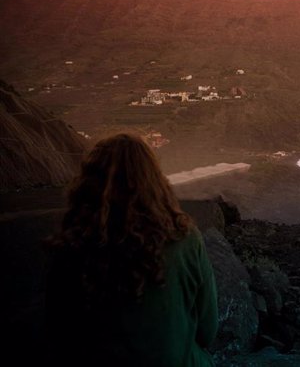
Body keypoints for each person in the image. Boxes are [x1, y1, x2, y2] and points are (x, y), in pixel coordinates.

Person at [45, 133, 218, 367]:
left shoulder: (71, 247)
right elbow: (208, 331)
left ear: (88, 184)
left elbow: (58, 336)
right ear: (154, 181)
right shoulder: (184, 239)